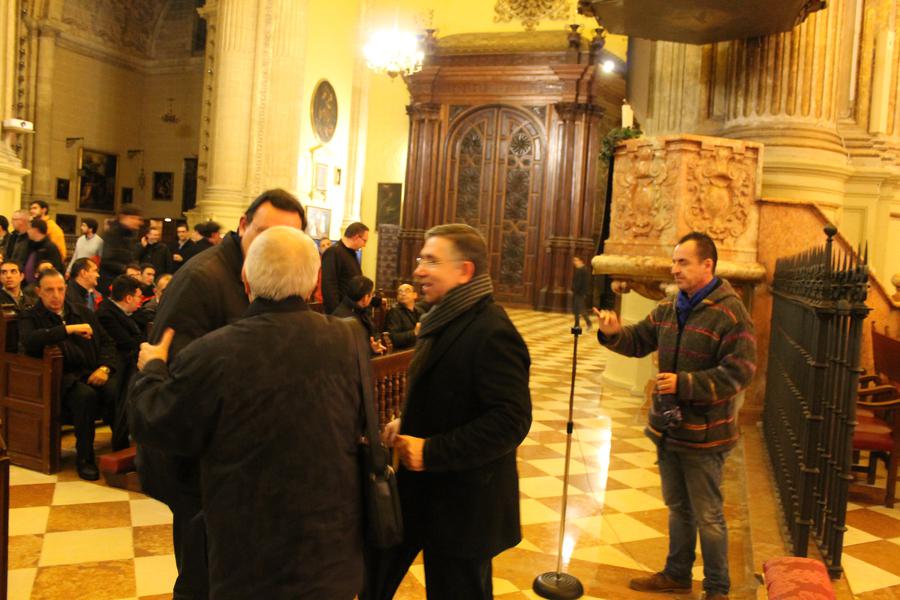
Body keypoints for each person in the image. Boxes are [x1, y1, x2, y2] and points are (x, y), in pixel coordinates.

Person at [130, 226, 364, 599]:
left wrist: (153, 369)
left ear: (245, 277)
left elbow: (154, 423)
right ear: (315, 279)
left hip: (251, 557)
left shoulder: (215, 351)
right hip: (331, 547)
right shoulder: (347, 340)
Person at [136, 188, 306, 599]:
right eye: (265, 233)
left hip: (242, 465)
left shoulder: (271, 279)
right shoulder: (203, 278)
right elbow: (176, 379)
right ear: (243, 226)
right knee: (202, 579)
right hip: (200, 468)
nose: (273, 246)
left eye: (287, 238)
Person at [364, 224, 532, 600]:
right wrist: (408, 422)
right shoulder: (444, 318)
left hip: (464, 505)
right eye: (422, 258)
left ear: (465, 271)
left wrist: (432, 450)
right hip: (424, 494)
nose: (419, 269)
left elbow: (511, 421)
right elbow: (452, 395)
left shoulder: (491, 330)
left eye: (431, 261)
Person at [594, 232, 757, 600]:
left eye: (683, 262)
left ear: (707, 265)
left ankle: (717, 589)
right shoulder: (672, 306)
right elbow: (640, 340)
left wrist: (684, 384)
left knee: (709, 517)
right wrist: (615, 333)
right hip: (669, 430)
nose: (674, 269)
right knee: (678, 508)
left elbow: (740, 372)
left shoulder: (731, 314)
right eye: (674, 261)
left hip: (705, 435)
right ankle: (677, 573)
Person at [19, 269, 118, 480]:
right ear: (39, 292)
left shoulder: (82, 311)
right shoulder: (31, 315)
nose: (56, 295)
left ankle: (120, 450)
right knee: (85, 397)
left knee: (115, 389)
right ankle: (85, 458)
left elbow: (108, 342)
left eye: (60, 289)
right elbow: (31, 340)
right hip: (59, 379)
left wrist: (105, 368)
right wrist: (69, 329)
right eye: (49, 290)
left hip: (92, 371)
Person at [97, 275, 146, 451]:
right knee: (128, 391)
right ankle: (122, 444)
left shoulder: (125, 312)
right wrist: (141, 341)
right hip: (117, 365)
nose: (140, 301)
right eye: (139, 296)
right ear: (128, 298)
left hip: (129, 361)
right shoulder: (106, 313)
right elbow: (126, 342)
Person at [321, 222, 369, 313]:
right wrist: (336, 313)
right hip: (339, 313)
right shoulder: (333, 252)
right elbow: (329, 285)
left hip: (350, 311)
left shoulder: (351, 253)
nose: (364, 245)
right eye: (364, 240)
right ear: (356, 237)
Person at [332, 275, 386, 355]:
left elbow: (373, 332)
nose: (372, 298)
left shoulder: (362, 309)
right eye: (371, 295)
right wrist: (370, 348)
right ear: (365, 298)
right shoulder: (341, 316)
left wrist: (376, 342)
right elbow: (347, 349)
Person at [99, 206, 143, 296]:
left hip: (123, 280)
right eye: (134, 218)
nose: (138, 222)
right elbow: (106, 261)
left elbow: (132, 256)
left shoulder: (131, 234)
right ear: (124, 218)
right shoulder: (112, 234)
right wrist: (126, 269)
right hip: (110, 281)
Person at [23, 219, 64, 284]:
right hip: (29, 285)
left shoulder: (50, 247)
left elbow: (57, 268)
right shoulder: (31, 245)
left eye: (29, 229)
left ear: (35, 230)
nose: (27, 231)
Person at [383, 283, 423, 350]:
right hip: (403, 351)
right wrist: (414, 333)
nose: (403, 294)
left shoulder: (420, 311)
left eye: (407, 291)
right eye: (400, 291)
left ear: (415, 295)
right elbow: (394, 338)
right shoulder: (394, 311)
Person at [571, 256, 592, 330]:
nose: (574, 262)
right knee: (577, 309)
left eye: (576, 260)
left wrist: (582, 292)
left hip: (580, 293)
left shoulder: (584, 270)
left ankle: (588, 323)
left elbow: (583, 283)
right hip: (577, 292)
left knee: (581, 309)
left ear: (581, 261)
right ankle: (577, 325)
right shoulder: (579, 270)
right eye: (574, 260)